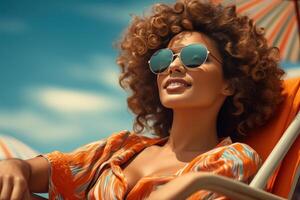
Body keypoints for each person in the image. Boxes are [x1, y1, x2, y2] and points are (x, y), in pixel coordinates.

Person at [0, 0, 285, 199]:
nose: (174, 66)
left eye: (193, 57)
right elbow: (37, 170)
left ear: (230, 84)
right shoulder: (119, 148)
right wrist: (16, 167)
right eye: (163, 59)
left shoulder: (232, 159)